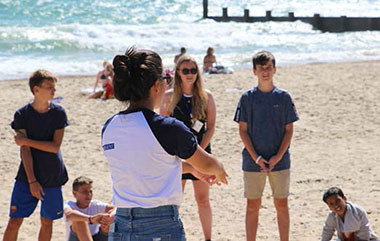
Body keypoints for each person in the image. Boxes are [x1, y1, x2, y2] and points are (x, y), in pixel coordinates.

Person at [101, 47, 228, 240]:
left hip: (121, 223)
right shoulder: (167, 128)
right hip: (159, 224)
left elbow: (148, 162)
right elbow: (209, 164)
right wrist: (218, 169)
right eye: (164, 78)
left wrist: (191, 170)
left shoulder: (109, 127)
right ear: (156, 85)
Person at [233, 51, 298, 241]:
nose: (265, 72)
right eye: (261, 68)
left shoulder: (284, 97)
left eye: (268, 67)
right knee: (252, 205)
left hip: (280, 160)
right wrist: (257, 158)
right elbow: (243, 131)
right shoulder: (247, 98)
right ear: (254, 71)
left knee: (281, 204)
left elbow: (289, 130)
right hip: (253, 161)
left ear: (275, 69)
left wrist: (277, 157)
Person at [3, 70, 69, 241]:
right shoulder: (21, 115)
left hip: (52, 175)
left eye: (54, 87)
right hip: (27, 174)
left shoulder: (59, 113)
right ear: (36, 89)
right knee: (15, 220)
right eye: (49, 87)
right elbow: (24, 150)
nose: (54, 91)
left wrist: (26, 141)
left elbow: (55, 147)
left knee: (47, 221)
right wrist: (32, 181)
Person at [160, 54, 216, 241]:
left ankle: (208, 238)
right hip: (177, 156)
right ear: (178, 73)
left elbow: (211, 126)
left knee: (202, 199)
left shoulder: (206, 96)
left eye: (193, 70)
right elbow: (162, 126)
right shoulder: (169, 97)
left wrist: (198, 150)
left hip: (201, 152)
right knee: (175, 200)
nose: (190, 74)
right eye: (185, 71)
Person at [64, 176, 115, 241]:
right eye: (84, 192)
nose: (88, 194)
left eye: (90, 191)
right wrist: (90, 219)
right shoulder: (70, 205)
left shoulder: (96, 204)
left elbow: (115, 208)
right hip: (77, 238)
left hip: (96, 237)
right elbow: (68, 214)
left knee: (107, 223)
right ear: (74, 193)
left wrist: (108, 216)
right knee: (79, 221)